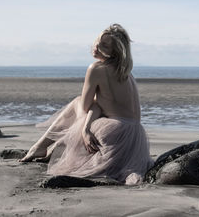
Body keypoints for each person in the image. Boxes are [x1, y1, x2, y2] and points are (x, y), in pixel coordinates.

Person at [19, 24, 153, 185]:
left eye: (105, 45)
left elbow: (84, 107)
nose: (97, 46)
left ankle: (40, 147)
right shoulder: (127, 73)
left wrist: (86, 127)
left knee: (77, 102)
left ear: (115, 52)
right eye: (98, 41)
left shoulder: (97, 68)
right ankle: (47, 147)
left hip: (115, 132)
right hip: (136, 136)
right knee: (92, 106)